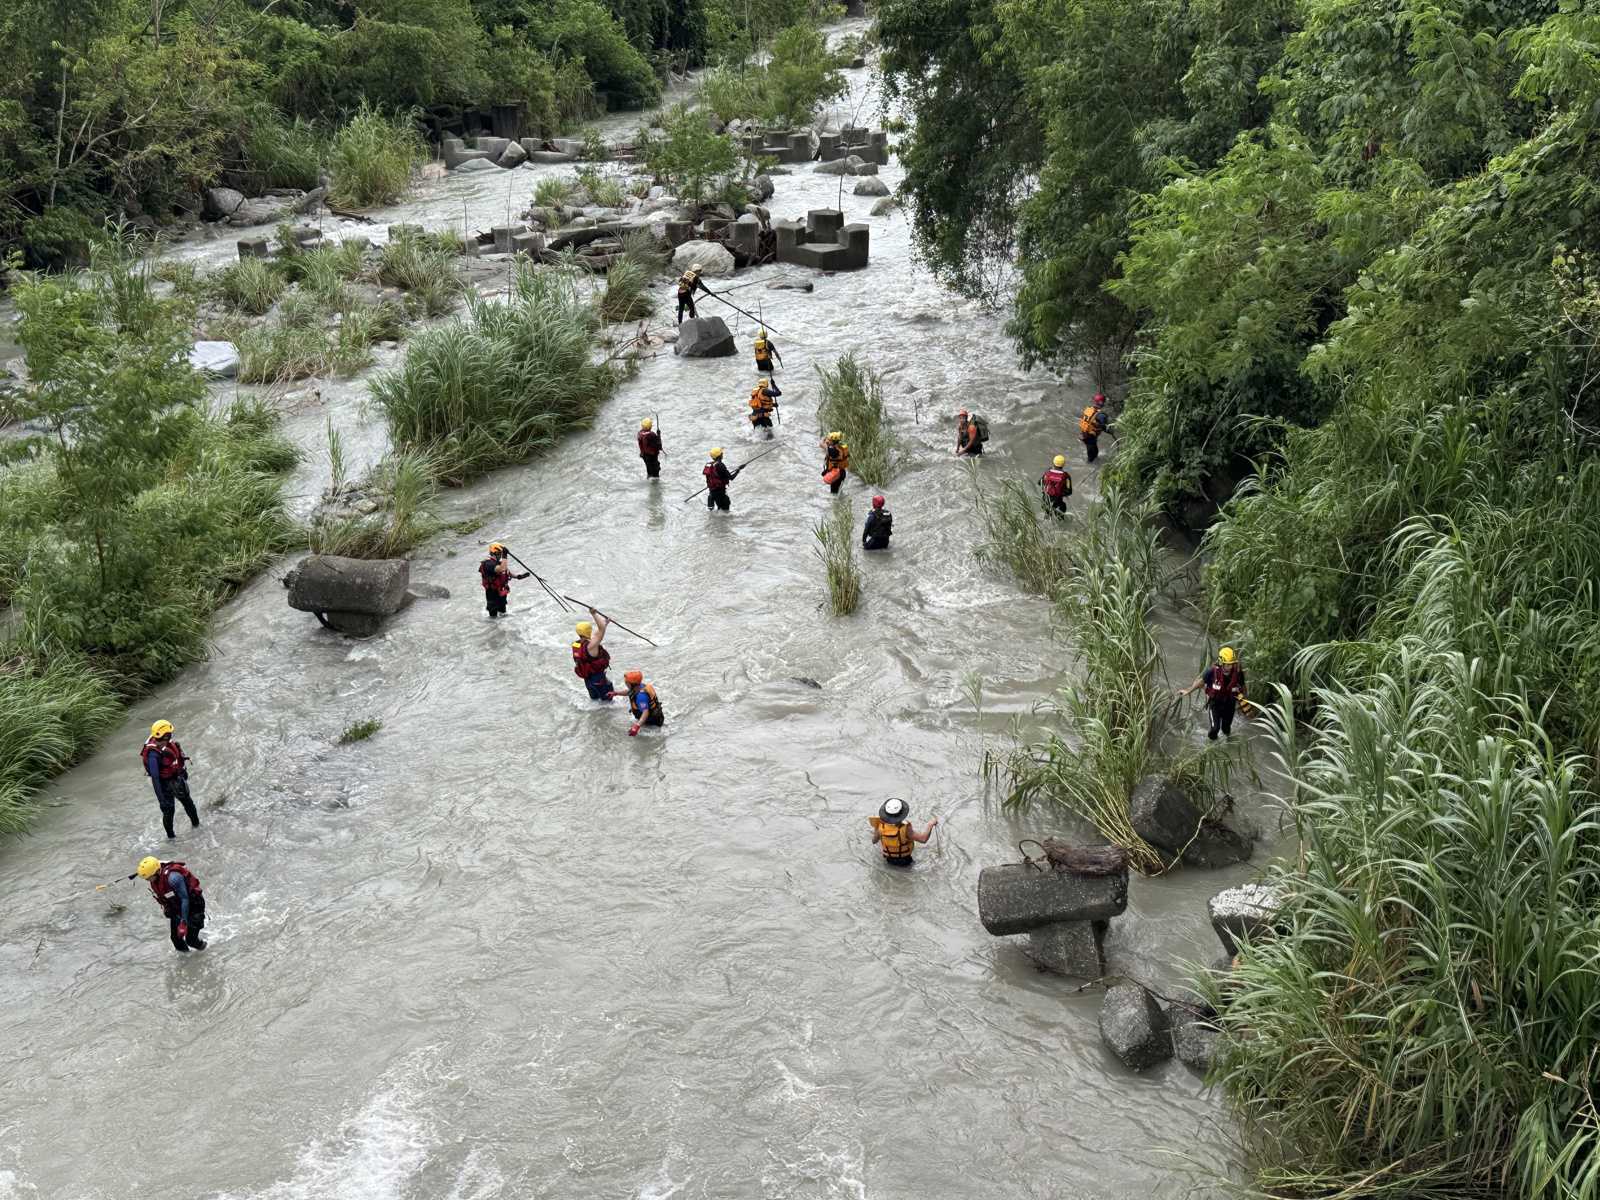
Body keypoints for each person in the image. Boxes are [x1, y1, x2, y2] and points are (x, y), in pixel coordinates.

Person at [140, 720, 198, 840]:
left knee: (189, 803)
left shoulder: (166, 743)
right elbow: (155, 779)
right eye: (170, 734)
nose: (171, 735)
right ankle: (171, 838)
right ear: (165, 736)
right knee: (169, 811)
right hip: (164, 785)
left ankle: (197, 827)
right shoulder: (153, 755)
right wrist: (162, 800)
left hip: (176, 779)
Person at [137, 855, 206, 953]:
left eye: (149, 878)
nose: (147, 880)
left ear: (156, 872)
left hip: (193, 905)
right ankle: (187, 962)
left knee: (191, 941)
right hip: (176, 905)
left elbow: (185, 899)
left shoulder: (173, 878)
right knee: (176, 939)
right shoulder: (155, 873)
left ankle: (205, 950)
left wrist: (183, 922)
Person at [1178, 646, 1247, 741]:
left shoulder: (1238, 673)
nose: (1230, 667)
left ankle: (1228, 745)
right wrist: (1188, 691)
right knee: (1215, 729)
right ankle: (1211, 745)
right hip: (1215, 704)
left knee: (1226, 730)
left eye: (1232, 664)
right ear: (1221, 662)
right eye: (1227, 664)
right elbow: (1200, 682)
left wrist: (1245, 704)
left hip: (1229, 705)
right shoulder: (1212, 672)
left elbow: (1243, 687)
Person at [867, 798, 939, 867]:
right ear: (901, 814)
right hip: (906, 861)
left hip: (888, 860)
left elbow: (874, 841)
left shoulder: (880, 827)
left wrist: (876, 829)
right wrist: (930, 825)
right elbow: (923, 839)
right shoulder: (906, 828)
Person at [572, 610, 615, 701]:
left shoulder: (577, 645)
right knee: (608, 703)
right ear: (589, 631)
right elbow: (601, 630)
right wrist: (594, 614)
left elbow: (597, 634)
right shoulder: (591, 646)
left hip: (588, 681)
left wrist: (605, 623)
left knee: (595, 702)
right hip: (598, 680)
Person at [479, 543, 530, 619]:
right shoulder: (488, 563)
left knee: (503, 614)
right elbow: (502, 569)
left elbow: (506, 572)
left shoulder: (499, 563)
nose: (500, 556)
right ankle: (494, 628)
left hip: (501, 591)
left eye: (501, 554)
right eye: (500, 553)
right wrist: (505, 556)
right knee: (493, 617)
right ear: (495, 553)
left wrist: (518, 576)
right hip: (492, 593)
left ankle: (503, 627)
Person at [622, 669, 664, 736]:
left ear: (632, 684)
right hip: (656, 716)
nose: (625, 683)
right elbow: (629, 692)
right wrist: (616, 693)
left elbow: (645, 712)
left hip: (652, 723)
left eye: (626, 682)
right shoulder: (640, 686)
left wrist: (637, 726)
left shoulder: (641, 697)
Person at [703, 446, 739, 512]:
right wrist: (738, 470)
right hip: (720, 493)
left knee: (719, 510)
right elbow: (731, 477)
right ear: (720, 455)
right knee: (725, 513)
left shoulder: (710, 465)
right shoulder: (721, 465)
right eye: (721, 453)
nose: (722, 454)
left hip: (712, 493)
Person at [1079, 393, 1109, 463]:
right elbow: (1104, 426)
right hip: (1090, 437)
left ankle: (1092, 461)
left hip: (1084, 434)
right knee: (1091, 457)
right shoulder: (1101, 415)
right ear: (1102, 403)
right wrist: (1110, 431)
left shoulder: (1088, 409)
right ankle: (1089, 466)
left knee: (1095, 452)